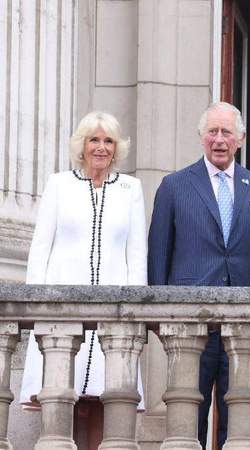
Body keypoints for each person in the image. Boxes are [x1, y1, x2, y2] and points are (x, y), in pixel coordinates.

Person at [148, 102, 250, 449]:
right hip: (190, 323)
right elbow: (159, 253)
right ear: (201, 136)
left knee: (240, 421)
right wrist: (157, 313)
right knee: (188, 419)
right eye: (212, 132)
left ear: (240, 139)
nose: (219, 140)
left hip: (244, 324)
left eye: (227, 132)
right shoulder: (174, 186)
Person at [22, 111, 147, 449]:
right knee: (63, 397)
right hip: (62, 311)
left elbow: (137, 256)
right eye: (94, 139)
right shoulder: (58, 185)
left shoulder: (130, 189)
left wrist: (136, 314)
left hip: (113, 315)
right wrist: (36, 308)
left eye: (108, 141)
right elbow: (40, 250)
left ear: (117, 147)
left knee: (105, 399)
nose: (101, 147)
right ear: (82, 144)